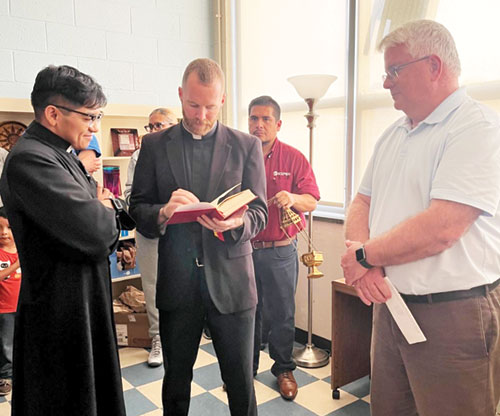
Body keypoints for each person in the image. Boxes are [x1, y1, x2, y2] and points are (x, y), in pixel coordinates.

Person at [340, 20, 500, 416]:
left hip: (452, 314)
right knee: (389, 409)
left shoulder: (475, 127)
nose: (385, 83)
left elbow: (443, 227)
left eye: (395, 70)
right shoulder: (395, 134)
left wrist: (364, 258)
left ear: (434, 66)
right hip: (392, 304)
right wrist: (367, 264)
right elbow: (361, 202)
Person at [129, 58, 267, 416]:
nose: (201, 115)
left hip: (233, 283)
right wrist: (162, 211)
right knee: (176, 382)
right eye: (193, 105)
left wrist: (237, 224)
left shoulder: (246, 145)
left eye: (210, 106)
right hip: (178, 284)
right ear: (180, 95)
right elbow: (138, 209)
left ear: (222, 100)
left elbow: (261, 213)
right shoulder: (154, 146)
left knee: (240, 383)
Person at [0, 65, 126, 415]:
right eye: (89, 116)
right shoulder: (31, 160)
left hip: (82, 300)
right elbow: (98, 231)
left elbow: (101, 206)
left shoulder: (61, 154)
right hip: (59, 310)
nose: (96, 127)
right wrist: (100, 206)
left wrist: (101, 205)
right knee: (67, 399)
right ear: (53, 114)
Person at [248, 96, 319, 401]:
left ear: (277, 124)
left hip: (280, 249)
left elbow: (312, 199)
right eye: (253, 118)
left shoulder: (293, 157)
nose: (258, 125)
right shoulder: (237, 155)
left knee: (282, 313)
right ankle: (244, 370)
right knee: (246, 312)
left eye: (265, 119)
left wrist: (292, 197)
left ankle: (284, 369)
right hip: (244, 249)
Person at [124, 107, 177, 367]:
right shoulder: (139, 155)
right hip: (150, 231)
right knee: (153, 287)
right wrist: (158, 210)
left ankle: (182, 334)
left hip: (182, 232)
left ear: (173, 126)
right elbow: (130, 196)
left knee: (183, 285)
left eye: (159, 125)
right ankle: (157, 339)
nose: (153, 131)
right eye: (150, 126)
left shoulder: (183, 154)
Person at [0, 207, 21, 396]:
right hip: (3, 309)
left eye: (8, 227)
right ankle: (5, 376)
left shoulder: (23, 249)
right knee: (6, 344)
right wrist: (16, 264)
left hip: (23, 306)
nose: (4, 232)